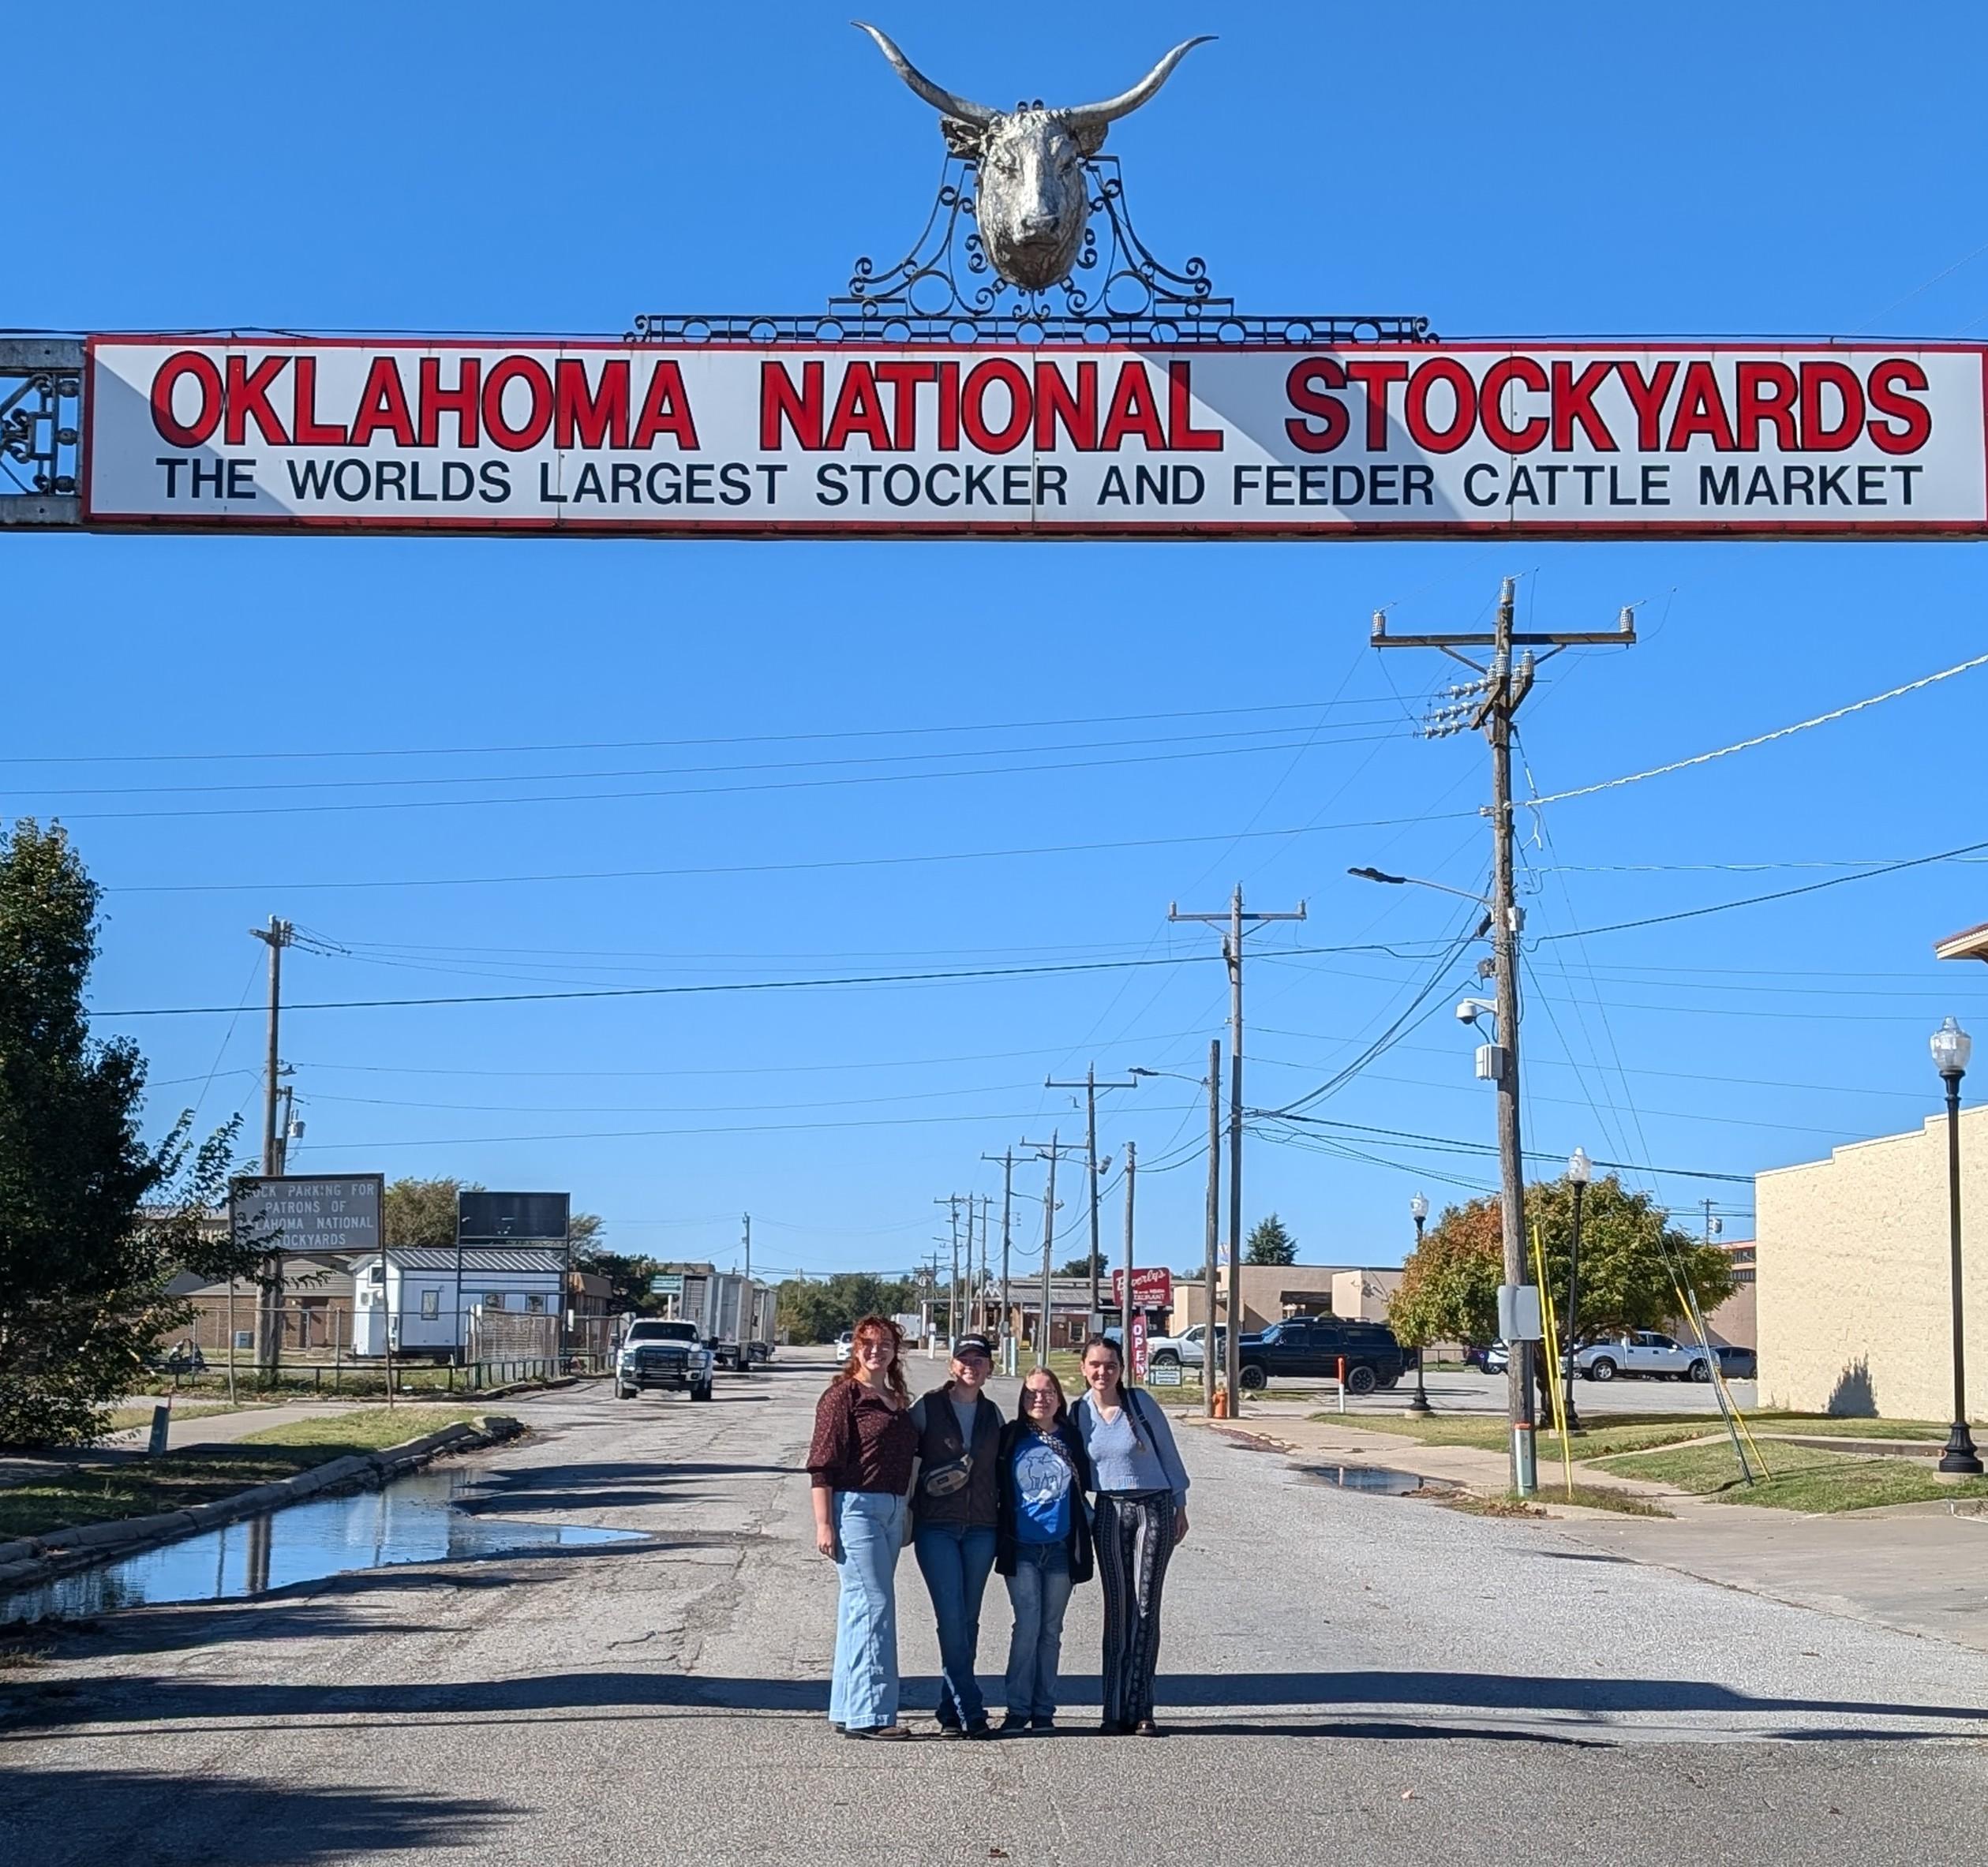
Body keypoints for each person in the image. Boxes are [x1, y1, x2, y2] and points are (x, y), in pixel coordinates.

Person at [1069, 1334, 1190, 1736]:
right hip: (1109, 1510)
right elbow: (1070, 1473)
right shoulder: (1079, 1412)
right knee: (1117, 1610)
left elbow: (1169, 1454)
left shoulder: (1138, 1404)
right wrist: (1087, 1513)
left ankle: (1142, 1708)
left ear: (1122, 1369)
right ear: (1083, 1369)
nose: (1103, 1373)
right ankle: (1113, 1708)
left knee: (1144, 1607)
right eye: (1095, 1365)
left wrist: (1179, 1504)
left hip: (1153, 1506)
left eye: (1111, 1365)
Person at [807, 1314, 918, 1741]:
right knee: (874, 1605)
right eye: (868, 1343)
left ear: (895, 1351)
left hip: (893, 1509)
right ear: (856, 1348)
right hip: (855, 1508)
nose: (877, 1350)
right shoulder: (842, 1395)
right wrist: (824, 1524)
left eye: (886, 1343)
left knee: (860, 1609)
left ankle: (847, 1708)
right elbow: (821, 1464)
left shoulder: (895, 1398)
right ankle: (872, 1715)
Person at [908, 1330, 1003, 1738]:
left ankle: (949, 1712)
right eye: (964, 1359)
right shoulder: (927, 1408)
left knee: (969, 1620)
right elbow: (901, 1459)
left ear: (989, 1368)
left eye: (979, 1360)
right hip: (937, 1528)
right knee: (950, 1618)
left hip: (982, 1528)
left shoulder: (993, 1414)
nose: (971, 1366)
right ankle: (971, 1709)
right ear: (952, 1365)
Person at [994, 1366, 1093, 1735]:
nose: (1040, 1398)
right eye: (1032, 1392)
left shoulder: (1073, 1438)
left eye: (1048, 1391)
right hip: (1021, 1547)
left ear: (1059, 1397)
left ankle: (1044, 1709)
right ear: (1022, 1398)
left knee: (1051, 1630)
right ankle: (1017, 1708)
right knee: (1027, 1626)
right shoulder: (1010, 1437)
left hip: (1061, 1547)